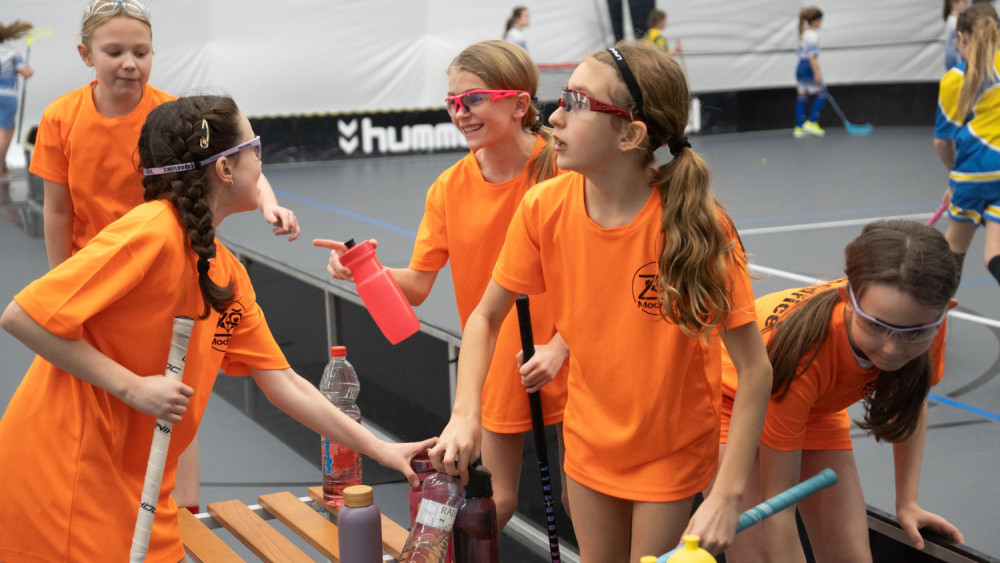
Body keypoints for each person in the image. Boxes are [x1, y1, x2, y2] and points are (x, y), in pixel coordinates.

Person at [0, 95, 436, 562]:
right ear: (225, 169)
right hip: (68, 478)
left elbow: (284, 383)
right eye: (255, 149)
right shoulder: (149, 232)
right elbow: (22, 316)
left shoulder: (225, 272)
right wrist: (132, 387)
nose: (262, 162)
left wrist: (383, 450)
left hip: (141, 486)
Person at [426, 40, 772, 561]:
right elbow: (485, 316)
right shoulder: (544, 206)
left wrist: (727, 493)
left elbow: (754, 369)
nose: (554, 116)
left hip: (668, 450)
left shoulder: (698, 228)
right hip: (588, 440)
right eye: (563, 97)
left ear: (631, 134)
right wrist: (464, 412)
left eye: (578, 103)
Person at [28, 0, 300, 514]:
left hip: (166, 273)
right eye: (114, 52)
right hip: (102, 281)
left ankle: (182, 512)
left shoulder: (171, 114)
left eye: (141, 52)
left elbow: (232, 159)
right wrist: (63, 284)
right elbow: (58, 210)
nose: (129, 63)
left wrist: (268, 202)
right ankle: (97, 505)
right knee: (103, 398)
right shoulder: (61, 116)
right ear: (86, 55)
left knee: (176, 396)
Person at [314, 39, 571, 531]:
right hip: (498, 362)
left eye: (473, 99)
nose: (460, 112)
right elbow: (416, 286)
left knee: (578, 499)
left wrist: (561, 344)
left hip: (575, 351)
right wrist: (364, 271)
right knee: (495, 502)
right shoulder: (449, 187)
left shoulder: (563, 171)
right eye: (452, 101)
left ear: (519, 104)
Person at [717, 220, 965, 562]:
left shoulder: (925, 323)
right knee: (757, 555)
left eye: (913, 333)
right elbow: (779, 510)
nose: (893, 349)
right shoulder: (804, 359)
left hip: (815, 408)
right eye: (876, 326)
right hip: (728, 401)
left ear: (944, 313)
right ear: (848, 299)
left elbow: (909, 400)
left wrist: (907, 502)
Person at [934, 3, 1000, 290]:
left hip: (974, 172)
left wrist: (954, 178)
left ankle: (933, 314)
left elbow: (942, 141)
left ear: (961, 37)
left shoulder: (955, 79)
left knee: (954, 249)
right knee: (995, 253)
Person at [0, 20, 34, 177]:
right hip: (8, 96)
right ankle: (1, 167)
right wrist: (28, 67)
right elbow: (26, 72)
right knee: (4, 131)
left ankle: (3, 163)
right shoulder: (11, 53)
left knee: (9, 127)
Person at [794, 7, 827, 138]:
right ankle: (812, 122)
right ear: (816, 21)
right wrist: (817, 73)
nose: (821, 23)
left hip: (800, 67)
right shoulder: (813, 35)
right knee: (822, 93)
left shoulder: (803, 33)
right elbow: (812, 57)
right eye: (821, 20)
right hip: (808, 66)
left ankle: (799, 126)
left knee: (802, 95)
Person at [945, 0, 971, 70]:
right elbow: (956, 45)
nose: (967, 6)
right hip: (956, 60)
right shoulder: (953, 21)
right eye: (965, 3)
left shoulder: (953, 19)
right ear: (954, 3)